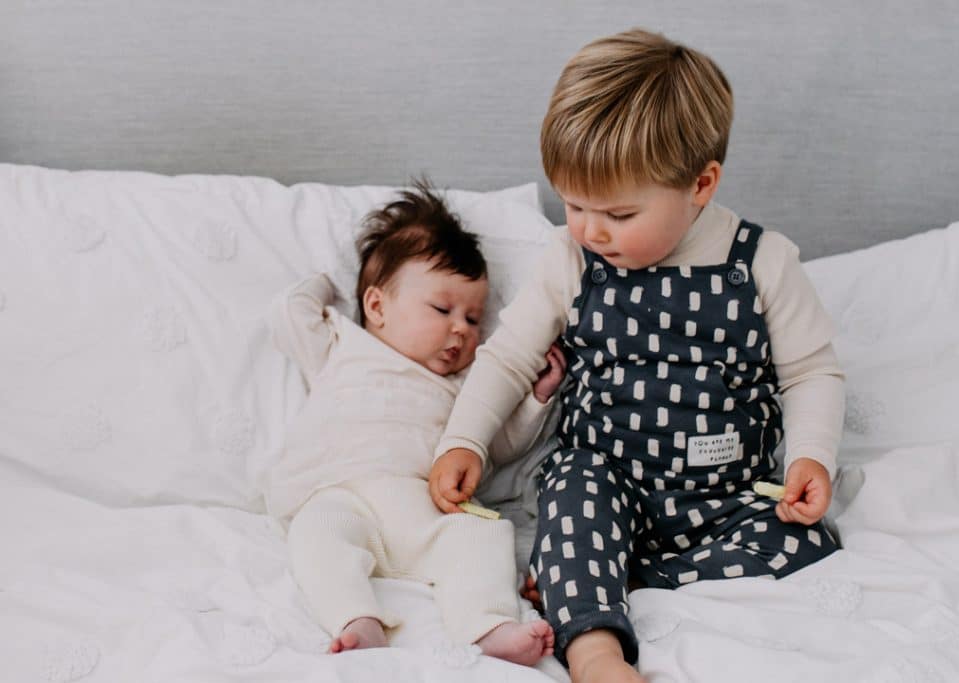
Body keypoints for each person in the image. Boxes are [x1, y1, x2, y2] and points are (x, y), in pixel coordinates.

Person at [428, 29, 845, 683]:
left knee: (798, 536)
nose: (590, 230)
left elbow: (810, 371)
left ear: (700, 184)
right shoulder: (571, 262)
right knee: (570, 496)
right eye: (572, 205)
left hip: (728, 493)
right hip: (608, 479)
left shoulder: (761, 262)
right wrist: (465, 441)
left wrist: (811, 455)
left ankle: (617, 577)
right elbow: (509, 357)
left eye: (618, 213)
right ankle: (597, 652)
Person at [267, 182, 559, 664]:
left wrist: (536, 399)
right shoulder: (342, 346)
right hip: (341, 492)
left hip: (424, 505)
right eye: (443, 309)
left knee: (483, 535)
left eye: (473, 317)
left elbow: (496, 443)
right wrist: (330, 281)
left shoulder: (467, 384)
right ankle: (355, 618)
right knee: (315, 536)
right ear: (377, 307)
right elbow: (288, 314)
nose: (461, 329)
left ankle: (487, 624)